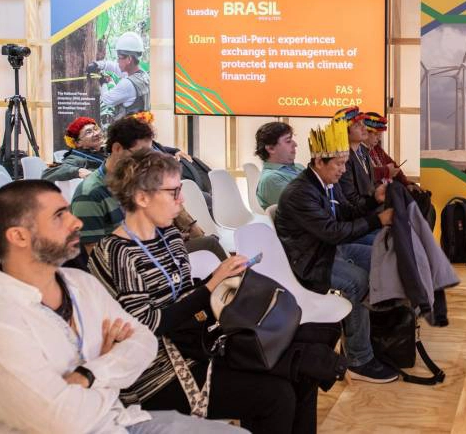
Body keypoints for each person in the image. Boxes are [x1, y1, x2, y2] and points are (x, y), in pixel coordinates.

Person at [0, 179, 240, 433]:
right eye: (59, 216)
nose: (76, 222)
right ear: (19, 236)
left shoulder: (80, 283)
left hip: (117, 420)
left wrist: (89, 374)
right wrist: (109, 368)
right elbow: (66, 424)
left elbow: (144, 342)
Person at [90, 151, 318, 434]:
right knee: (275, 397)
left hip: (193, 347)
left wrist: (222, 281)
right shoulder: (117, 252)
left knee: (304, 373)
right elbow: (147, 325)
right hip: (152, 374)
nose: (181, 200)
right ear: (142, 197)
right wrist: (212, 284)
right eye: (173, 192)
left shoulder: (169, 237)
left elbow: (185, 300)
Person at [275, 119, 398, 383]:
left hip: (326, 250)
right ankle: (359, 359)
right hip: (308, 262)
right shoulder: (301, 193)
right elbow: (333, 232)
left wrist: (372, 200)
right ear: (320, 162)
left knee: (382, 256)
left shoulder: (324, 183)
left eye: (345, 163)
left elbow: (346, 213)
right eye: (339, 164)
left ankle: (374, 334)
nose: (343, 170)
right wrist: (378, 219)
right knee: (357, 281)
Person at [71, 116, 225, 262]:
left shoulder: (137, 180)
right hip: (132, 264)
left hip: (153, 252)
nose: (147, 162)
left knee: (210, 244)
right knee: (209, 246)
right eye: (141, 155)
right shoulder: (89, 193)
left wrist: (171, 236)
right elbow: (95, 257)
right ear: (117, 148)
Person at [87, 31, 150, 123]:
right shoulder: (143, 75)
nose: (117, 60)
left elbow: (107, 99)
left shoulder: (128, 84)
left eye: (119, 58)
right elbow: (116, 67)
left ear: (129, 59)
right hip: (142, 127)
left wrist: (103, 83)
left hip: (129, 129)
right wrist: (98, 65)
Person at [253, 121, 304, 211]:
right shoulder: (271, 179)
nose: (295, 144)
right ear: (271, 148)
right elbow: (305, 208)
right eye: (288, 141)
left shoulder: (299, 167)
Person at [43, 116, 107, 182]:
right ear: (77, 143)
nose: (96, 133)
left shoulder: (104, 151)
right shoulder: (77, 158)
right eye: (88, 132)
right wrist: (78, 171)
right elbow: (47, 174)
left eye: (96, 129)